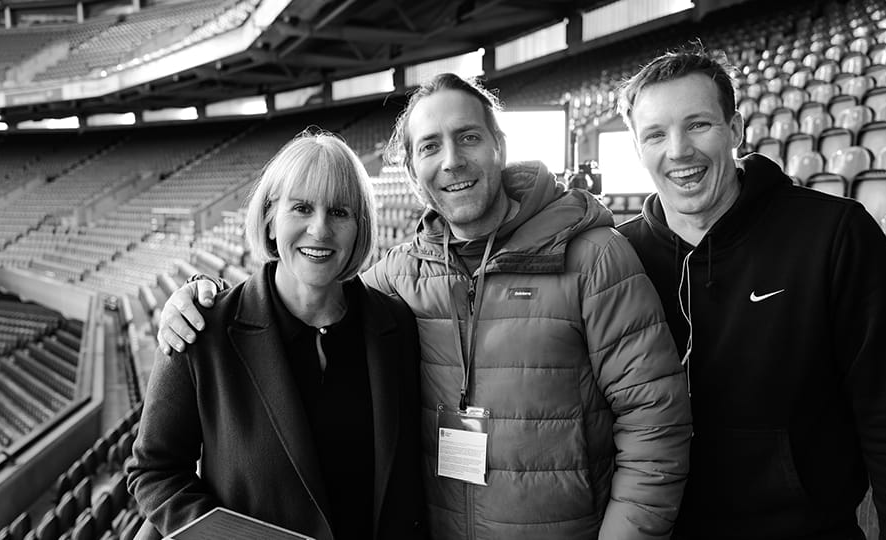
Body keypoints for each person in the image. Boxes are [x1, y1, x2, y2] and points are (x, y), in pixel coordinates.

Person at [156, 73, 693, 539]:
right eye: (430, 146)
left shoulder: (596, 257)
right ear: (413, 171)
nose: (453, 160)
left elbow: (656, 428)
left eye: (468, 138)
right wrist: (199, 299)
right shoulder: (398, 278)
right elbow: (313, 286)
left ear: (499, 148)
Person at [614, 48, 886, 538]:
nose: (678, 151)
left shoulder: (834, 234)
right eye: (655, 134)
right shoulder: (618, 256)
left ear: (734, 130)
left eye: (697, 125)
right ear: (637, 147)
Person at [126, 132, 425, 540]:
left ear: (360, 227)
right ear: (269, 216)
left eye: (339, 212)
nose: (319, 229)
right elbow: (154, 470)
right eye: (301, 208)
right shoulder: (202, 330)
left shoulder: (395, 325)